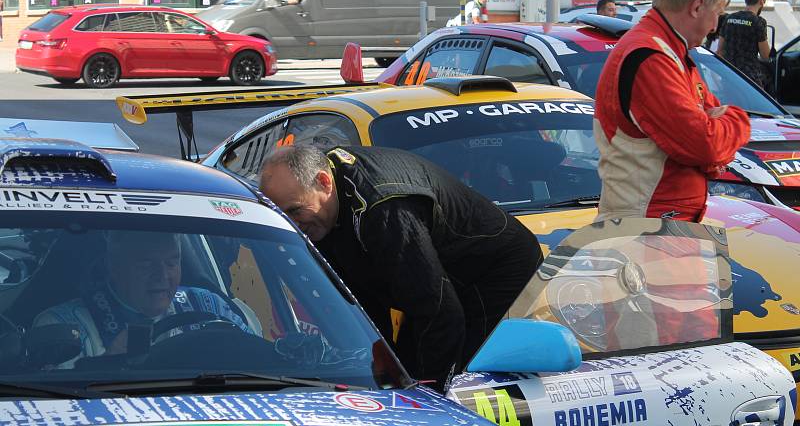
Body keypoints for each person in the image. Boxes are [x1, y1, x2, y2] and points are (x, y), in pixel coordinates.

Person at [259, 145, 542, 390]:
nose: (292, 224)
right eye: (282, 214)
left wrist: (429, 395)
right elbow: (364, 310)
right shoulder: (324, 203)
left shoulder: (381, 209)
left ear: (324, 182)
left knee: (450, 372)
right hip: (441, 275)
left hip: (496, 269)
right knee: (400, 367)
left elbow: (440, 312)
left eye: (295, 211)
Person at [594, 0, 751, 223]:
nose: (715, 27)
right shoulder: (651, 58)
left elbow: (703, 143)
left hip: (656, 223)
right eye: (718, 14)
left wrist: (713, 143)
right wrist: (737, 124)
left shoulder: (665, 51)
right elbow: (705, 143)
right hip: (647, 228)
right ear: (697, 6)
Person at [33, 231, 255, 368]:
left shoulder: (210, 306)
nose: (162, 275)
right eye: (146, 264)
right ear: (113, 266)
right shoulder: (62, 328)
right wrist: (107, 365)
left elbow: (258, 357)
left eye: (171, 263)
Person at [718, 0, 771, 91]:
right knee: (756, 107)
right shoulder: (758, 22)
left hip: (728, 76)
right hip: (749, 78)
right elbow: (766, 55)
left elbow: (719, 51)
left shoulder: (729, 19)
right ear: (761, 0)